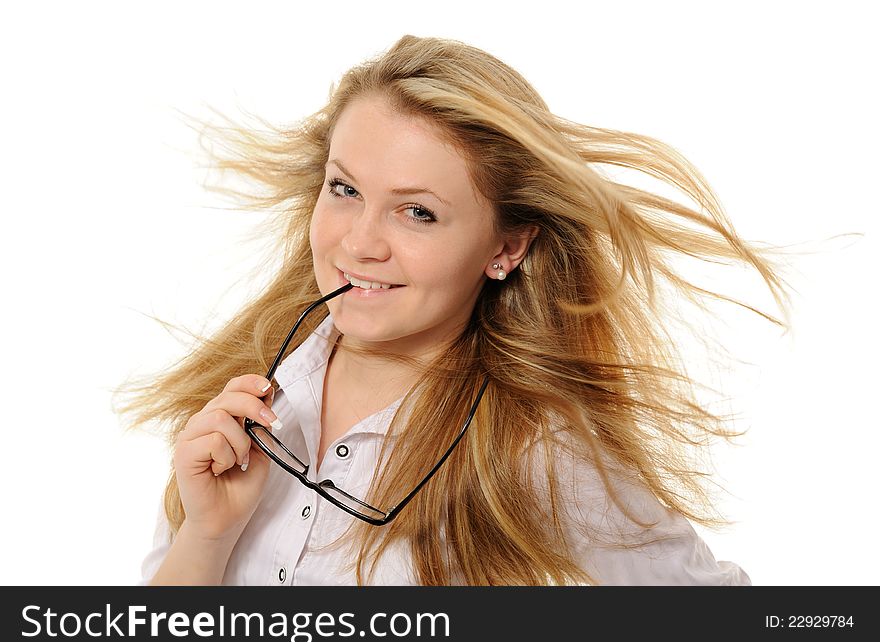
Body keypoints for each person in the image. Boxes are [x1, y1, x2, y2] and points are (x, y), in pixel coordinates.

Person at [115, 34, 794, 585]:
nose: (359, 242)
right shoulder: (244, 393)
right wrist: (208, 535)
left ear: (505, 247)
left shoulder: (539, 450)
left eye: (418, 212)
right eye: (345, 188)